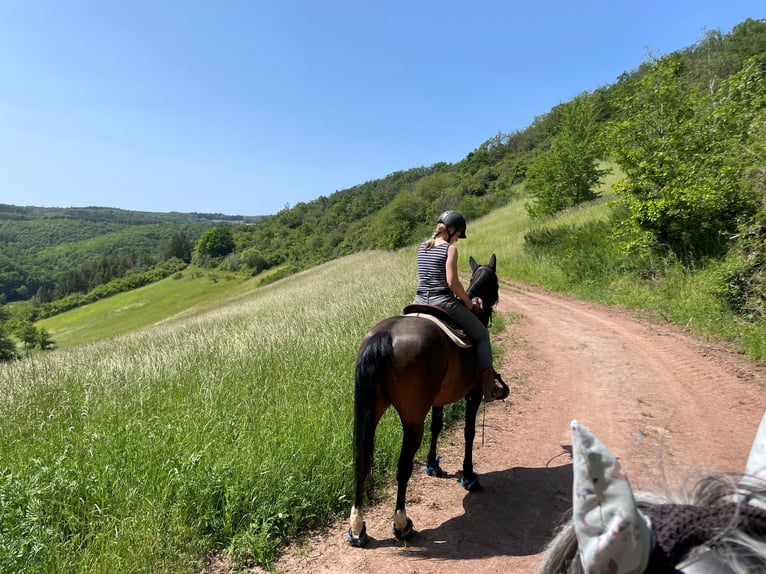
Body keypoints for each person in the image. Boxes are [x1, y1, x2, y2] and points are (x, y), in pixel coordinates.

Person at [413, 210, 504, 402]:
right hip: (442, 302)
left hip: (419, 302)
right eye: (457, 236)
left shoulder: (422, 247)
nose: (456, 240)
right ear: (452, 230)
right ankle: (488, 387)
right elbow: (452, 282)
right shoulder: (449, 249)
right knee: (482, 335)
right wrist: (469, 303)